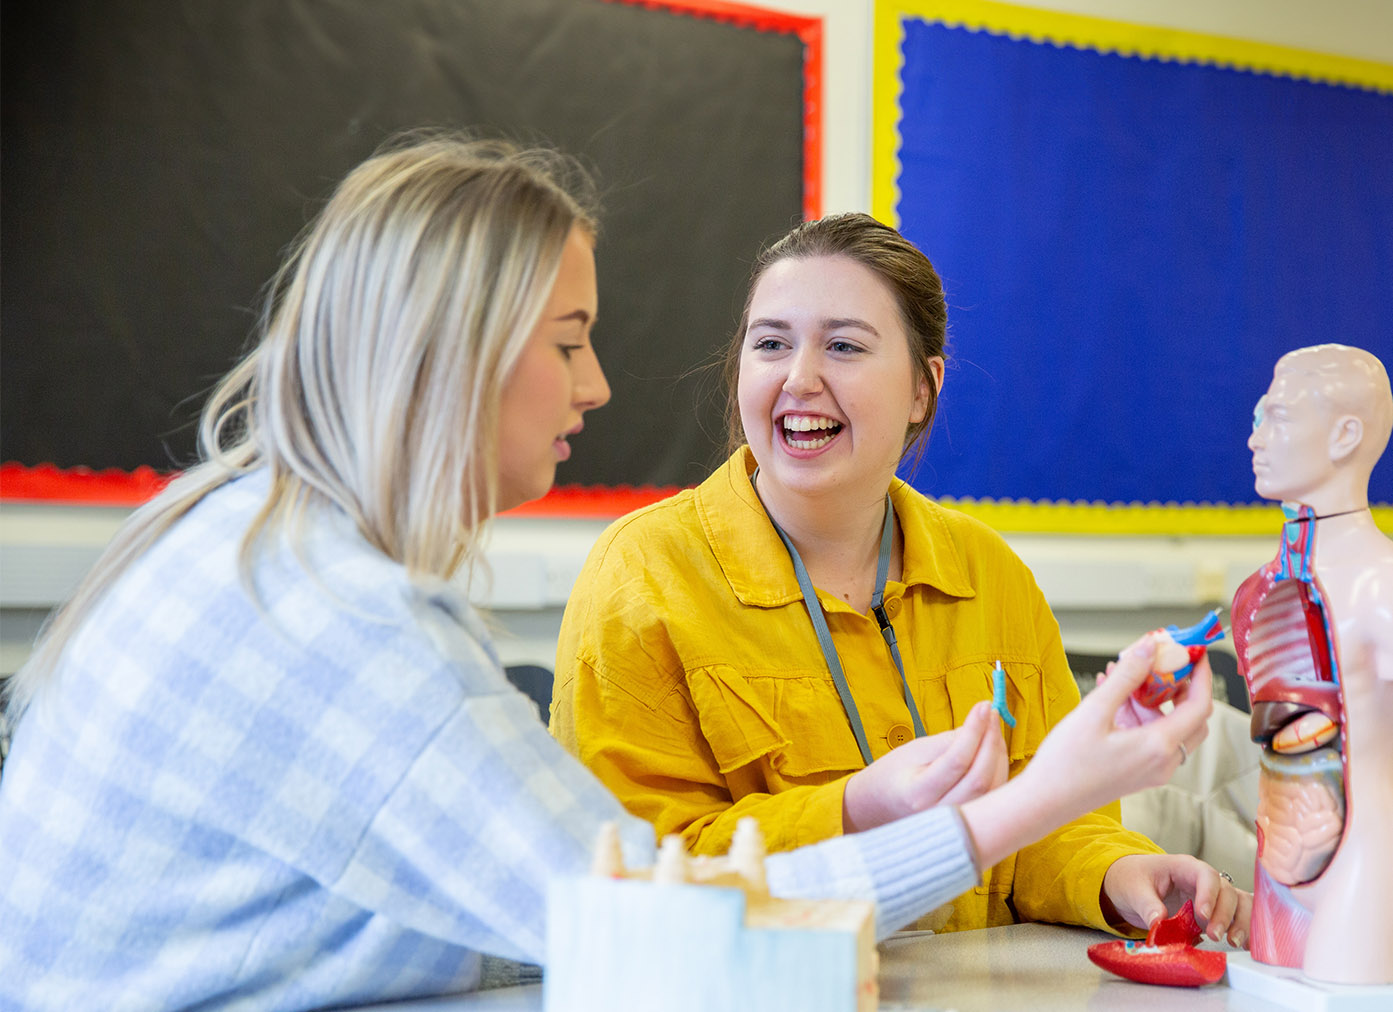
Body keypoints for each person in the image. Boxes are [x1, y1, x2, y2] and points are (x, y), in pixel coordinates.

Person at [0, 137, 1224, 1011]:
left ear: (924, 389)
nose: (595, 388)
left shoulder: (242, 531)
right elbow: (659, 929)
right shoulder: (350, 626)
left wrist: (1091, 846)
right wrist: (1012, 799)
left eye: (847, 347)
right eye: (570, 343)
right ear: (455, 351)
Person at [551, 212, 1251, 941]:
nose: (798, 378)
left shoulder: (989, 574)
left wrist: (1112, 877)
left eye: (844, 345)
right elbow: (636, 873)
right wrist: (854, 807)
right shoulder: (642, 575)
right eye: (769, 344)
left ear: (922, 389)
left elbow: (1050, 827)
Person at [1236, 343, 1393, 984]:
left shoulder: (1381, 585)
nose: (1256, 439)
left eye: (1279, 417)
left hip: (1364, 861)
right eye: (1258, 418)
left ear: (1345, 435)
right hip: (1276, 860)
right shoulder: (1260, 588)